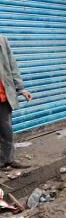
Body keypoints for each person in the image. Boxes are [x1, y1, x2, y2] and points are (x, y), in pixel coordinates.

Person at [0, 35, 32, 170]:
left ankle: (8, 160)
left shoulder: (2, 40)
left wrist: (21, 88)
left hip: (3, 95)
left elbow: (12, 66)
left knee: (6, 129)